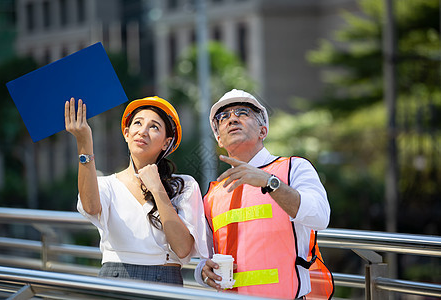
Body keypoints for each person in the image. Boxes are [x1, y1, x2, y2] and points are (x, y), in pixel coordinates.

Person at [194, 89, 334, 299]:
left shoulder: (293, 168)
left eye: (242, 113)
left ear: (263, 131)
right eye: (223, 117)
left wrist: (270, 183)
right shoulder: (213, 194)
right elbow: (205, 257)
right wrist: (203, 272)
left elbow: (320, 217)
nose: (232, 119)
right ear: (219, 140)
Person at [65, 96, 208, 285]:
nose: (143, 131)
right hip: (115, 280)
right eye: (138, 123)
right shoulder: (106, 184)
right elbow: (90, 207)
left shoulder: (184, 186)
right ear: (126, 133)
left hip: (164, 282)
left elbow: (182, 249)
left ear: (166, 143)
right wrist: (84, 142)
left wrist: (157, 188)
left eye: (154, 127)